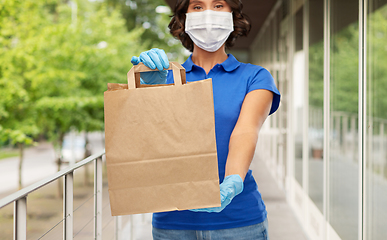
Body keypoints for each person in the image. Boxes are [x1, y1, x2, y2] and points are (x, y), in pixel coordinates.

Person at [131, 0, 280, 239]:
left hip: (239, 222)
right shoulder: (164, 76)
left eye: (218, 5)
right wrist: (145, 84)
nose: (209, 13)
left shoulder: (255, 77)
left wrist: (232, 181)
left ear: (233, 16)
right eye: (198, 6)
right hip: (172, 222)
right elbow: (144, 135)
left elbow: (245, 131)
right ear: (184, 18)